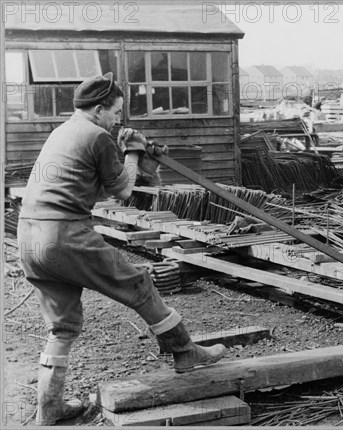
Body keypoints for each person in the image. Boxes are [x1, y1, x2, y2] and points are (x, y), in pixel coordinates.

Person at [17, 73, 227, 426]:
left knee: (63, 327)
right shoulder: (97, 135)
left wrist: (144, 162)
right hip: (64, 236)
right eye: (115, 112)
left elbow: (92, 186)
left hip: (30, 238)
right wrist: (132, 151)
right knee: (139, 284)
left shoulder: (63, 132)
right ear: (98, 110)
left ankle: (49, 408)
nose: (118, 120)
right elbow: (124, 192)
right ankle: (184, 351)